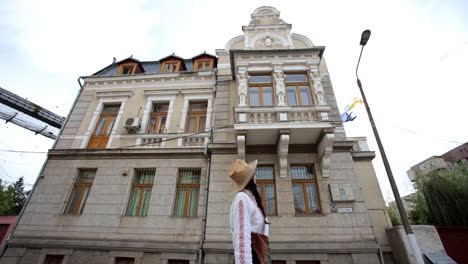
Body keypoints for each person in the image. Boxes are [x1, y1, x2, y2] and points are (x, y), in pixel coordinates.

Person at [229, 159, 271, 264]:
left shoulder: (252, 200)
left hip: (260, 255)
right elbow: (241, 235)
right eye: (254, 175)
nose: (256, 177)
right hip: (251, 257)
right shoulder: (241, 198)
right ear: (252, 179)